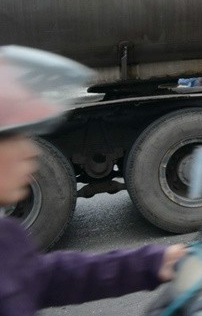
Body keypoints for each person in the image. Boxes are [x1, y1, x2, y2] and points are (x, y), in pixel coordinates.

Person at [0, 48, 185, 315]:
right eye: (13, 136)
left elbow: (48, 277)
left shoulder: (7, 239)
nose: (31, 151)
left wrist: (154, 262)